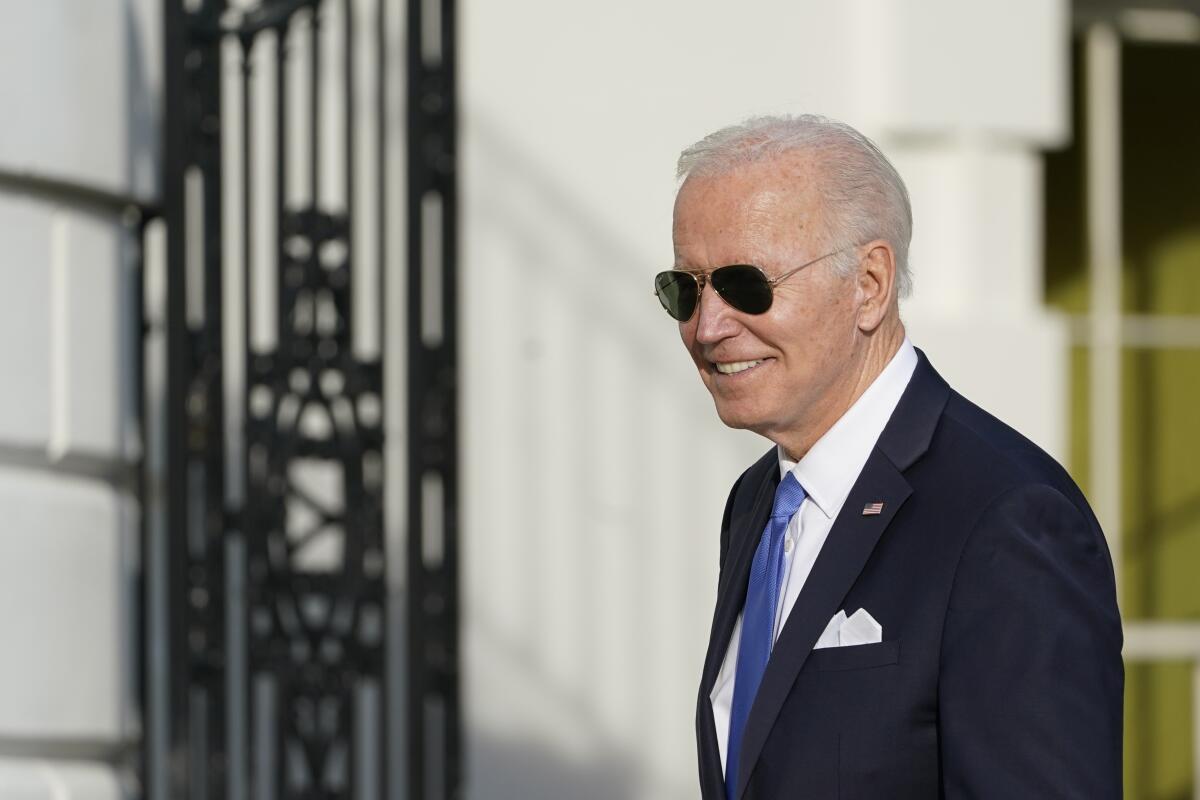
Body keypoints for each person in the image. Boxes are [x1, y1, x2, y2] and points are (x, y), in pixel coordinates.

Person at [654, 115, 1123, 800]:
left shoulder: (1005, 518)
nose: (708, 326)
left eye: (746, 285)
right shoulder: (758, 501)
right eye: (685, 290)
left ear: (870, 283)